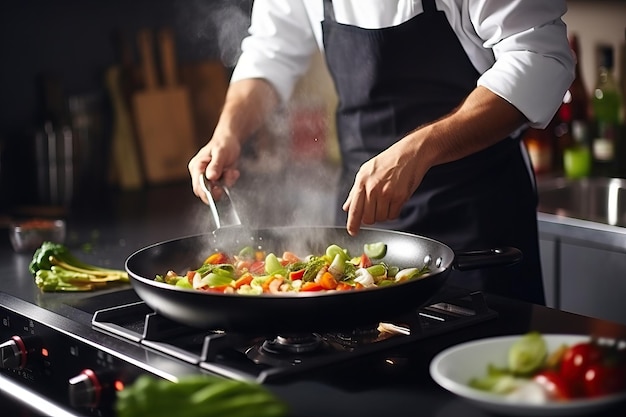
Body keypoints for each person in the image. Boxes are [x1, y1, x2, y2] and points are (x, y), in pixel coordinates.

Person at [188, 0, 575, 306]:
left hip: (478, 218)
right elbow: (270, 54)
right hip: (360, 225)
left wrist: (420, 148)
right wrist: (229, 133)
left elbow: (539, 59)